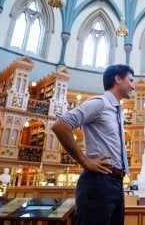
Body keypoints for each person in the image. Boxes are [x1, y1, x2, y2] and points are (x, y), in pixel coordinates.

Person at [52, 64, 135, 225]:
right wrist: (85, 161)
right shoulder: (100, 103)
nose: (133, 86)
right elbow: (60, 126)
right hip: (99, 181)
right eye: (130, 80)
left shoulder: (117, 112)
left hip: (116, 182)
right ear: (118, 79)